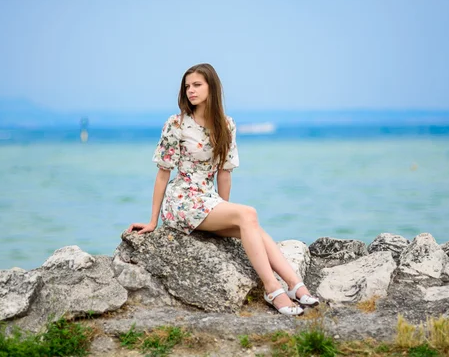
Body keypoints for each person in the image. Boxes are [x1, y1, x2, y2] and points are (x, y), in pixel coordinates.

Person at [127, 63, 319, 316]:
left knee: (250, 225)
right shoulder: (176, 124)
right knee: (247, 214)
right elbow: (163, 174)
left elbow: (224, 172)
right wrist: (153, 220)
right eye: (187, 86)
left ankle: (295, 286)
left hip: (207, 199)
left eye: (197, 85)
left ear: (212, 87)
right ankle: (273, 289)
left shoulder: (226, 125)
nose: (190, 91)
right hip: (182, 201)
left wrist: (224, 209)